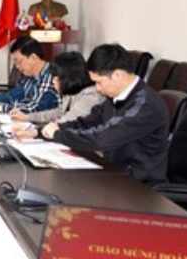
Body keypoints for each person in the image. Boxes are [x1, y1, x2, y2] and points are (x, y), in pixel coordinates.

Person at [41, 44, 169, 185]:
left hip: (140, 186)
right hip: (113, 174)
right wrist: (49, 129)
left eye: (99, 82)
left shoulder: (145, 104)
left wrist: (58, 135)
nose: (97, 88)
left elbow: (104, 138)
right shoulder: (114, 98)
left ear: (117, 75)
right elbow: (86, 123)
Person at [11, 51, 105, 137]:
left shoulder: (90, 97)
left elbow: (65, 123)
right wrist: (27, 117)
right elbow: (58, 112)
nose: (53, 81)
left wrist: (34, 131)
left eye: (56, 77)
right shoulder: (71, 93)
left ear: (68, 77)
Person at [0, 36, 60, 114]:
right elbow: (11, 97)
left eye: (19, 61)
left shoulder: (50, 77)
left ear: (33, 57)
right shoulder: (29, 77)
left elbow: (36, 110)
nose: (17, 66)